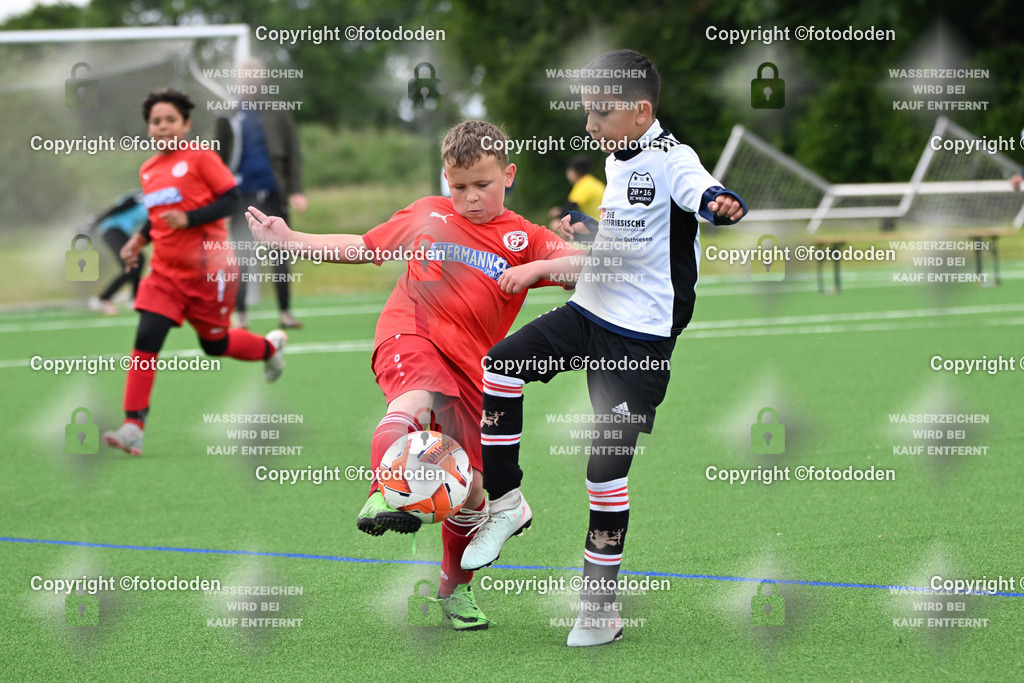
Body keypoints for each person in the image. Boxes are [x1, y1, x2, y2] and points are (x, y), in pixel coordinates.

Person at [246, 120, 586, 631]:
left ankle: (455, 591)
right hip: (410, 333)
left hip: (475, 374)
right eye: (459, 186)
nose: (469, 198)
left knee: (470, 490)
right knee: (412, 402)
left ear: (509, 175)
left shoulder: (526, 237)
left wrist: (545, 265)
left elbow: (587, 268)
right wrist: (292, 238)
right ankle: (385, 490)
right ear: (445, 180)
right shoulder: (427, 214)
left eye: (482, 185)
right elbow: (364, 247)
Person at [461, 50, 747, 647]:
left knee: (603, 472)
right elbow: (629, 242)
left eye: (601, 112)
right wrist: (585, 237)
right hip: (589, 312)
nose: (589, 124)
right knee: (501, 368)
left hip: (639, 341)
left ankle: (599, 609)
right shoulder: (619, 159)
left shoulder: (675, 159)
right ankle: (507, 501)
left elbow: (700, 193)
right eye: (586, 111)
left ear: (641, 111)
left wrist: (719, 204)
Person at [103, 89, 286, 457]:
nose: (163, 126)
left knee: (214, 345)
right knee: (146, 338)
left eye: (171, 120)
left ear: (185, 125)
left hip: (210, 273)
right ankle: (132, 426)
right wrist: (139, 240)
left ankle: (269, 348)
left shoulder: (201, 158)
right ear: (148, 128)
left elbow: (231, 200)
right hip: (166, 274)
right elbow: (158, 219)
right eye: (156, 121)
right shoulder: (149, 169)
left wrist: (189, 218)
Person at [215, 57, 306, 330]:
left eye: (257, 73)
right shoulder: (228, 111)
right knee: (242, 256)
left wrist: (297, 190)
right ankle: (239, 315)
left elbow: (293, 151)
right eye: (247, 74)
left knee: (280, 254)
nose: (252, 78)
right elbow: (218, 156)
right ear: (239, 77)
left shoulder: (277, 110)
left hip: (273, 193)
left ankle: (285, 312)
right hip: (240, 196)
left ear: (264, 78)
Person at [88, 190, 148, 315]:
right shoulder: (142, 196)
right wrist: (97, 220)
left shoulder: (158, 201)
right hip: (113, 229)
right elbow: (120, 207)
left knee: (133, 264)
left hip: (120, 231)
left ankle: (130, 299)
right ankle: (104, 299)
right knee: (136, 260)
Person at [547, 155, 605, 229]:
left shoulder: (583, 184)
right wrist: (560, 210)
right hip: (606, 223)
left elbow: (572, 204)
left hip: (598, 225)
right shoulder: (592, 182)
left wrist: (559, 220)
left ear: (573, 171)